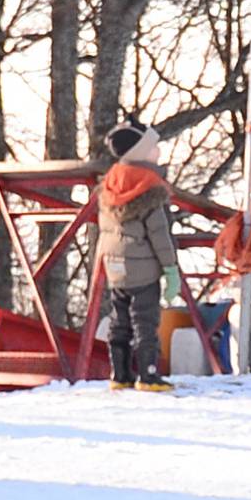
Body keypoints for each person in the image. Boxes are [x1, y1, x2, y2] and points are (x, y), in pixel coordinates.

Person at [96, 120, 178, 390]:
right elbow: (159, 235)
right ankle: (148, 374)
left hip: (115, 266)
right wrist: (170, 268)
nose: (158, 152)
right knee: (145, 322)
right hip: (143, 271)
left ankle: (119, 375)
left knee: (119, 320)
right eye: (153, 147)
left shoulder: (110, 183)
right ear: (140, 153)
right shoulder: (149, 187)